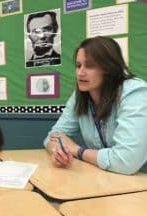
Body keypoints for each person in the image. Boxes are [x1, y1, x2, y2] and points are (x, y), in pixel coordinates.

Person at [43, 36, 147, 175]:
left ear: (109, 68)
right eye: (78, 65)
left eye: (90, 66)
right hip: (106, 179)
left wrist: (77, 150)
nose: (80, 73)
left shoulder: (134, 92)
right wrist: (59, 152)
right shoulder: (80, 95)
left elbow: (126, 162)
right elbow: (52, 136)